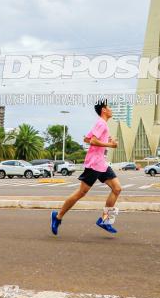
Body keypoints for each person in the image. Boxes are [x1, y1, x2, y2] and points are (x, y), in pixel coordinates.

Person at [51, 99, 121, 235]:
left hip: (101, 163)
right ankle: (57, 217)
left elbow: (87, 139)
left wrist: (107, 140)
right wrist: (110, 145)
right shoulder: (101, 123)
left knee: (117, 189)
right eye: (109, 107)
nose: (111, 109)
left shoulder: (102, 124)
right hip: (94, 163)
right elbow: (93, 140)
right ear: (104, 110)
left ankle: (105, 220)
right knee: (81, 193)